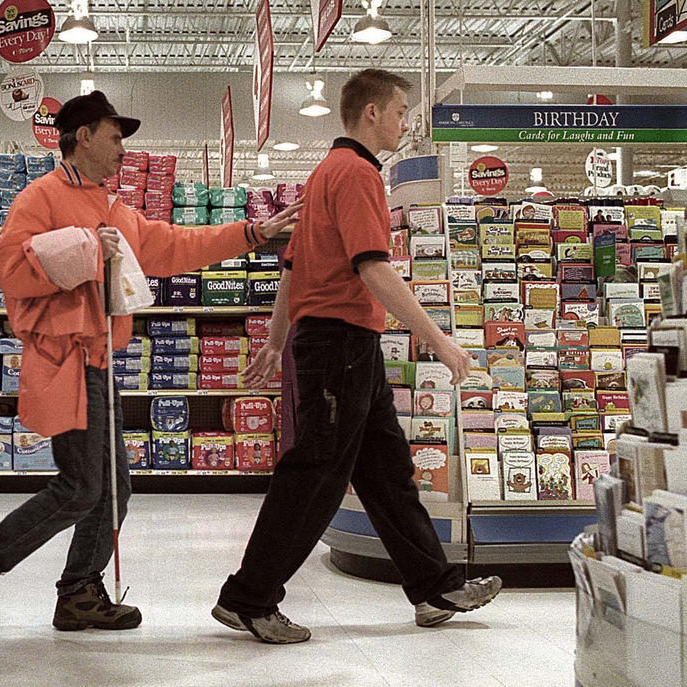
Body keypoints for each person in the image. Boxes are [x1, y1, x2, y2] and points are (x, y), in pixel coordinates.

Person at [0, 90, 300, 633]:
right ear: (82, 136)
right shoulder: (40, 196)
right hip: (65, 359)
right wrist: (84, 247)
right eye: (114, 136)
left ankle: (79, 591)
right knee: (83, 487)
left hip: (99, 361)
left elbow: (175, 244)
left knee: (112, 488)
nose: (122, 149)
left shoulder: (112, 206)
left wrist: (252, 234)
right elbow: (9, 269)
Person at [213, 69, 502, 645]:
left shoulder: (325, 173)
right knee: (315, 473)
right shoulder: (358, 174)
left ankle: (433, 585)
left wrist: (275, 339)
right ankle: (249, 597)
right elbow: (373, 267)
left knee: (386, 471)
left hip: (343, 346)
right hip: (339, 344)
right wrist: (437, 340)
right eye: (400, 109)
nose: (406, 121)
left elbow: (293, 266)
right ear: (370, 112)